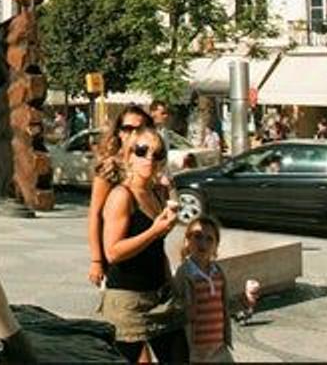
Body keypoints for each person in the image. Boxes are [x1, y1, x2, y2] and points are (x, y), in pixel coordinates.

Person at [101, 123, 188, 364]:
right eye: (142, 151)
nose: (149, 158)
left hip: (159, 295)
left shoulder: (156, 193)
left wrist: (170, 280)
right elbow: (113, 252)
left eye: (157, 154)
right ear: (129, 155)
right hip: (128, 301)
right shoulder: (121, 196)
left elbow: (156, 246)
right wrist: (154, 231)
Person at [87, 104, 154, 288]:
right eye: (127, 128)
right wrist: (96, 261)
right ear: (118, 132)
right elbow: (94, 213)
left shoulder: (150, 165)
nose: (133, 133)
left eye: (139, 128)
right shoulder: (110, 167)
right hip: (116, 251)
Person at [174, 215, 235, 362]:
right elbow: (176, 306)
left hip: (219, 346)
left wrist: (246, 300)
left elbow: (224, 305)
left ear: (216, 246)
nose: (203, 243)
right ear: (187, 241)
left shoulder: (217, 271)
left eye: (209, 239)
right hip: (195, 349)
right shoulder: (185, 272)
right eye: (198, 236)